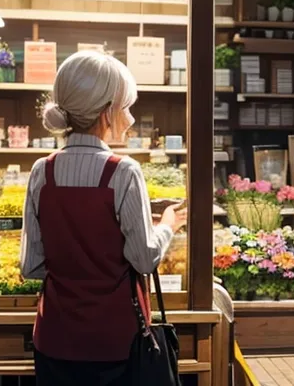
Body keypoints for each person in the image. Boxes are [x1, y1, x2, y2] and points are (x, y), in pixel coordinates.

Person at [20, 50, 187, 386]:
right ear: (107, 111)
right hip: (114, 343)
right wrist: (166, 226)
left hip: (54, 339)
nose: (130, 118)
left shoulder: (42, 171)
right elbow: (143, 258)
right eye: (126, 107)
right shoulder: (123, 172)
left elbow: (30, 266)